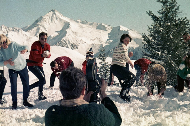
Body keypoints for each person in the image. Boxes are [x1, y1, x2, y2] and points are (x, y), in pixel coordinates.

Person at [45, 67, 122, 126]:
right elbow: (117, 120)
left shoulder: (51, 114)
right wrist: (103, 94)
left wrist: (84, 103)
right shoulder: (96, 112)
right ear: (83, 90)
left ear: (61, 89)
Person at [0, 34, 33, 109]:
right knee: (13, 85)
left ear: (6, 40)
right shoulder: (1, 51)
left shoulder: (13, 45)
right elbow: (0, 62)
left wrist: (25, 50)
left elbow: (25, 47)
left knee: (26, 84)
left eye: (4, 42)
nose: (4, 44)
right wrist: (7, 62)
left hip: (22, 66)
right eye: (1, 43)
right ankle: (14, 103)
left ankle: (25, 100)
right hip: (12, 69)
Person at [110, 34, 136, 102]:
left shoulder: (119, 46)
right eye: (126, 40)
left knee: (126, 80)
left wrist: (128, 57)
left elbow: (122, 57)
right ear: (122, 40)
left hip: (116, 67)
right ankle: (123, 94)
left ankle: (125, 93)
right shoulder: (122, 46)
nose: (127, 42)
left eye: (128, 41)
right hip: (118, 67)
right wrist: (130, 62)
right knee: (132, 77)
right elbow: (124, 57)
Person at [27, 32, 51, 100]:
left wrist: (47, 55)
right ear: (39, 39)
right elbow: (34, 55)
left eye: (45, 39)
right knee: (42, 79)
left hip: (39, 64)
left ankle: (29, 87)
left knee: (43, 81)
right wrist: (42, 55)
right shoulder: (35, 44)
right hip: (32, 64)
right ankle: (40, 94)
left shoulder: (47, 45)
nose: (44, 40)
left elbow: (49, 55)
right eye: (42, 39)